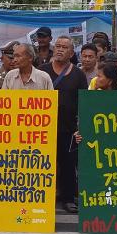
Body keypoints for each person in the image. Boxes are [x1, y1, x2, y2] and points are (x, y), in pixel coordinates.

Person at [39, 35, 87, 214]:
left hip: (67, 128)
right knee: (44, 163)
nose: (59, 49)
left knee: (67, 164)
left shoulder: (78, 74)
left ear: (71, 52)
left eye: (64, 47)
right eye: (57, 46)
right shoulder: (42, 71)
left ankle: (68, 198)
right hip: (43, 127)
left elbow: (83, 101)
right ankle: (43, 196)